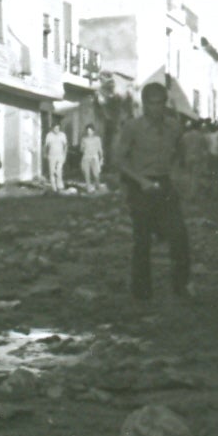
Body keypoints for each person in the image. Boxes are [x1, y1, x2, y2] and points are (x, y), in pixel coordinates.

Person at [111, 81, 191, 301]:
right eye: (152, 103)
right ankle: (142, 293)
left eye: (160, 103)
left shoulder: (174, 126)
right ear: (144, 104)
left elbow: (180, 154)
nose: (156, 108)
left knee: (179, 236)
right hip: (140, 186)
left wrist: (177, 175)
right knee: (142, 240)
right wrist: (140, 180)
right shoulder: (132, 127)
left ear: (165, 104)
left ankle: (181, 286)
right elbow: (119, 160)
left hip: (164, 184)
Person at [44, 121, 70, 192]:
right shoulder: (49, 135)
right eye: (55, 128)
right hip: (51, 156)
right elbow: (46, 146)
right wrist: (45, 154)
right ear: (52, 128)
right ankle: (54, 188)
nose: (57, 130)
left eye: (58, 128)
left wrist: (65, 155)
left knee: (59, 171)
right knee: (52, 172)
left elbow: (65, 146)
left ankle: (60, 186)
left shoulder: (62, 135)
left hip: (60, 156)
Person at [79, 123, 105, 190]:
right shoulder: (84, 139)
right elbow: (81, 150)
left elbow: (100, 149)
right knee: (86, 173)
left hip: (94, 157)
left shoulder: (97, 139)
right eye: (88, 131)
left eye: (90, 131)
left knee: (96, 173)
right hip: (86, 157)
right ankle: (88, 187)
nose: (89, 132)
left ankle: (97, 186)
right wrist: (83, 147)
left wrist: (102, 158)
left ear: (93, 131)